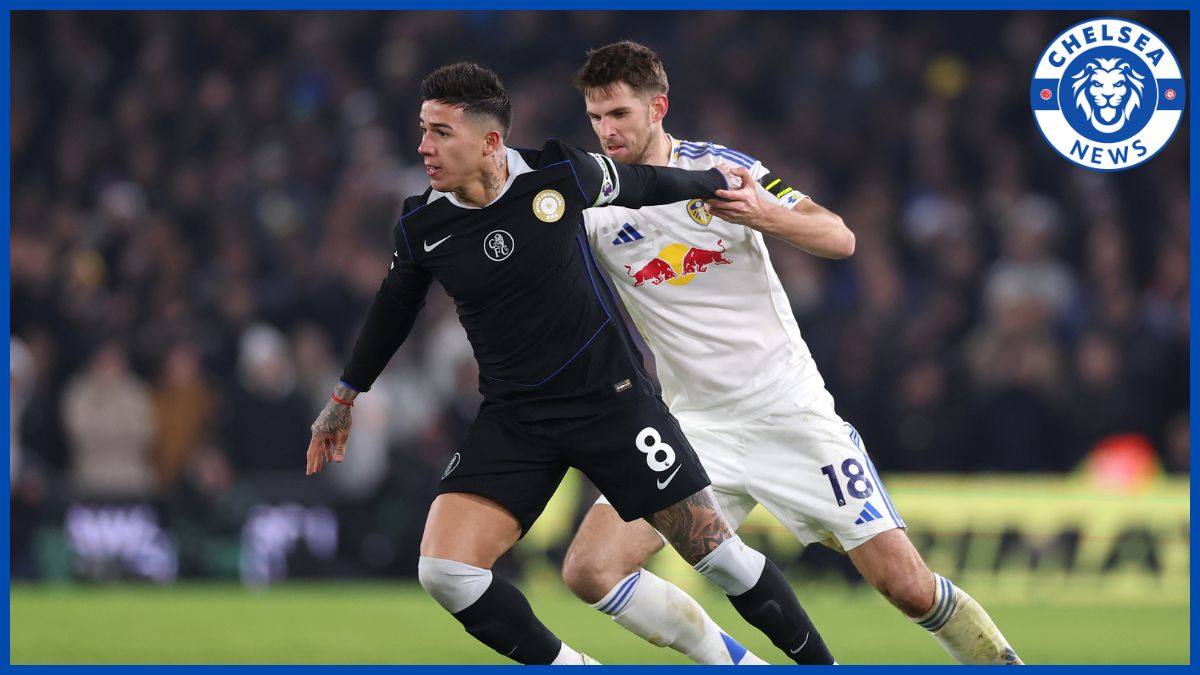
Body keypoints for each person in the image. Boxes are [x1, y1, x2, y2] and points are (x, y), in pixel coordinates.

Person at [304, 62, 835, 666]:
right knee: (446, 572)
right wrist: (344, 397)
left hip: (612, 401)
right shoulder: (423, 223)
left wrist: (715, 180)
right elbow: (392, 309)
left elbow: (644, 183)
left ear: (490, 142)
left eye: (441, 132)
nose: (424, 146)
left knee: (719, 556)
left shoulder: (559, 174)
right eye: (423, 130)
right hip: (516, 418)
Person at [564, 40, 1023, 666]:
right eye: (595, 117)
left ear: (658, 108)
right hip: (693, 429)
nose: (606, 130)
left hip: (788, 411)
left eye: (619, 114)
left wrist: (762, 214)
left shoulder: (723, 170)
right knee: (591, 568)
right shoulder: (592, 199)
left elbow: (840, 237)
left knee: (906, 586)